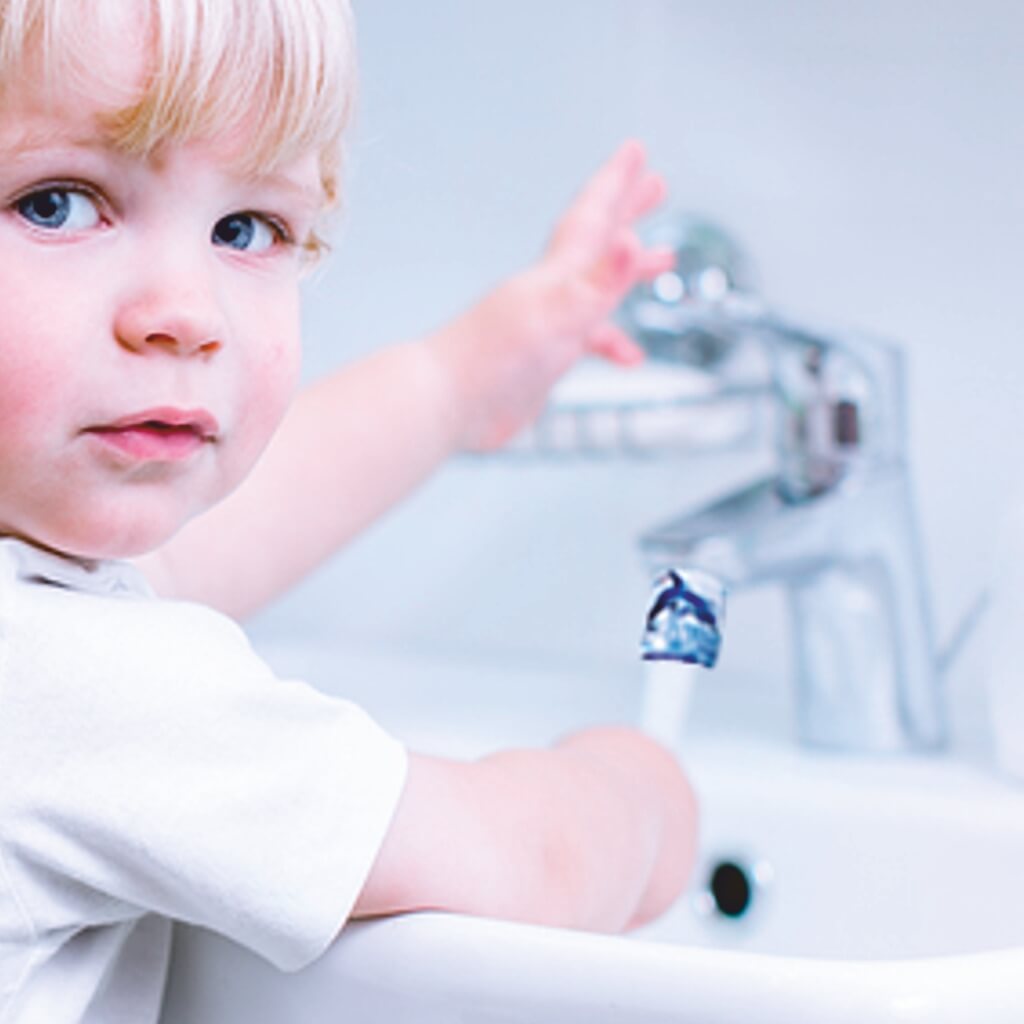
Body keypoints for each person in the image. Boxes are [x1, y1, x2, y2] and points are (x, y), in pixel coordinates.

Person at [0, 0, 697, 1020]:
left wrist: (458, 382)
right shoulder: (65, 688)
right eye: (57, 204)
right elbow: (519, 865)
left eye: (248, 228)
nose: (187, 313)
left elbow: (200, 560)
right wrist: (638, 800)